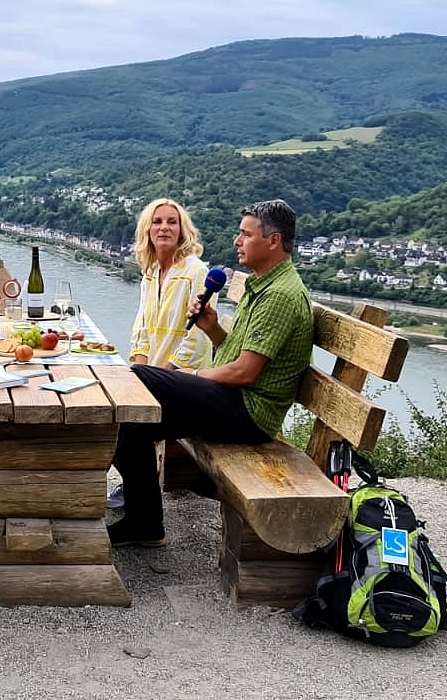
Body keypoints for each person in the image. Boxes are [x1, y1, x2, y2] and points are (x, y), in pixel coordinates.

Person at [106, 199, 314, 547]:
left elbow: (245, 373)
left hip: (250, 413)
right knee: (131, 421)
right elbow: (239, 353)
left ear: (273, 241)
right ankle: (144, 525)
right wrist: (213, 329)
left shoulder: (280, 295)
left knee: (139, 379)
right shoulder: (263, 285)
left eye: (245, 234)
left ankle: (139, 520)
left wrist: (193, 378)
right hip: (235, 400)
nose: (237, 241)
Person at [108, 199, 213, 510]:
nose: (164, 227)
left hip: (183, 381)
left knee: (125, 426)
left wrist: (162, 374)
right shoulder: (151, 272)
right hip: (155, 377)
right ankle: (135, 488)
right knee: (115, 415)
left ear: (182, 231)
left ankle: (140, 503)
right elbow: (141, 326)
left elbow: (198, 339)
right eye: (157, 222)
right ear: (147, 230)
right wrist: (140, 369)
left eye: (172, 221)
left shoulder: (196, 271)